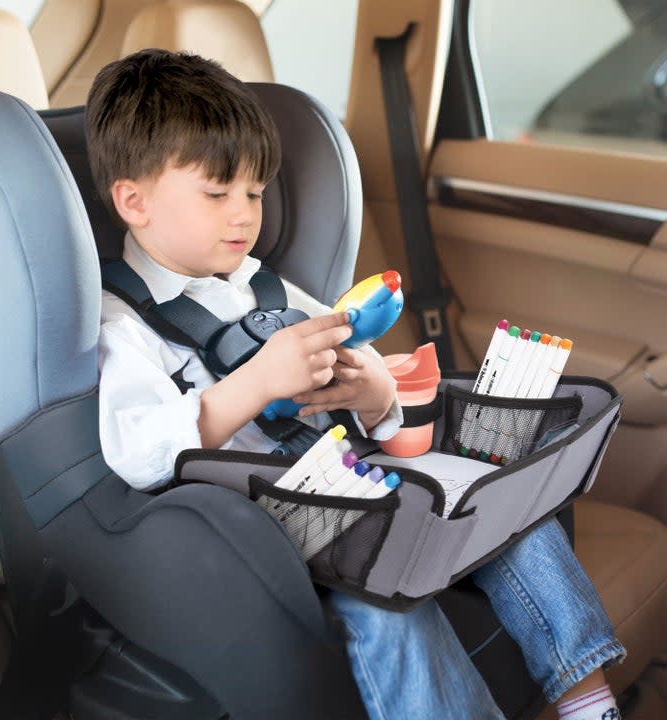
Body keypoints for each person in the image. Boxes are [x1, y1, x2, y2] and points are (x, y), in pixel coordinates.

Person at [86, 48, 626, 720]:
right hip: (269, 526)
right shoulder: (121, 321)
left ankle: (586, 697)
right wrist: (255, 383)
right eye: (218, 193)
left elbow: (371, 383)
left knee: (510, 511)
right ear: (133, 201)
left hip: (356, 487)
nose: (243, 215)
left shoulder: (269, 286)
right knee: (389, 611)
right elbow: (135, 452)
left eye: (254, 193)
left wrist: (377, 396)